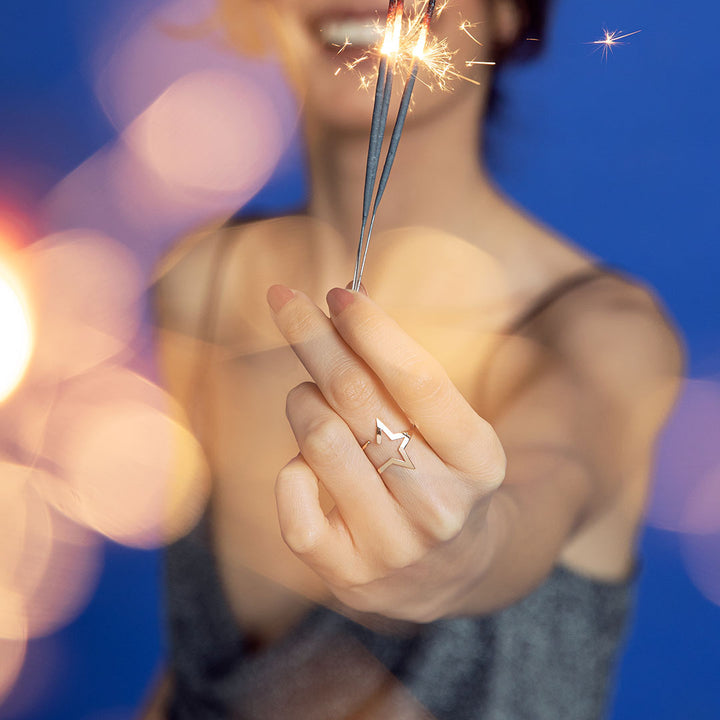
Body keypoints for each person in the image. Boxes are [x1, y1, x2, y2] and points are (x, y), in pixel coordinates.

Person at [146, 0, 682, 717]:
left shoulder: (604, 334)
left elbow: (542, 485)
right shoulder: (197, 283)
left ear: (507, 14)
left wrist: (466, 555)